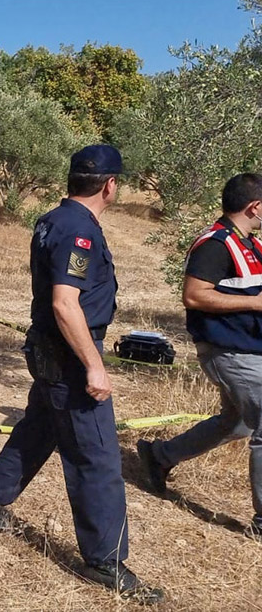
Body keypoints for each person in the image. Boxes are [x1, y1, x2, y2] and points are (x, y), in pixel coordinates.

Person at [0, 145, 162, 603]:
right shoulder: (79, 231)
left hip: (52, 349)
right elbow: (64, 302)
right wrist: (94, 365)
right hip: (71, 353)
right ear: (110, 185)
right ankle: (104, 560)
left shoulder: (57, 218)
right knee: (97, 457)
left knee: (38, 431)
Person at [137, 173, 262, 541]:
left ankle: (159, 456)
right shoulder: (214, 244)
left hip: (248, 350)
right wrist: (255, 302)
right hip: (229, 353)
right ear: (254, 207)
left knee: (236, 423)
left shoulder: (251, 244)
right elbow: (193, 296)